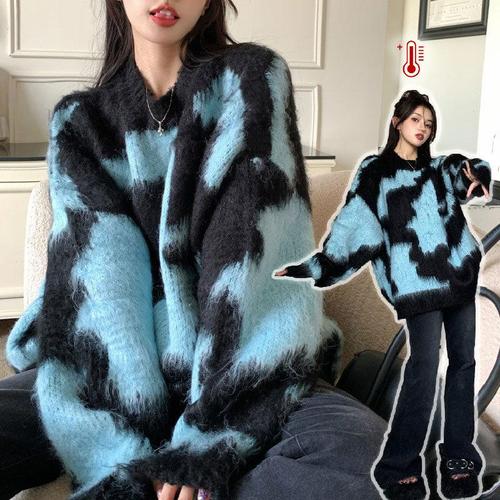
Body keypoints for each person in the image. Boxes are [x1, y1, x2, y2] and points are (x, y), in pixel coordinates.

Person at [1, 1, 388, 499]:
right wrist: (119, 458)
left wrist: (210, 442)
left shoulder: (251, 79)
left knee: (376, 467)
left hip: (249, 370)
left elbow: (248, 268)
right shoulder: (80, 122)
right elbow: (101, 288)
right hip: (104, 376)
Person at [274, 89, 492, 500]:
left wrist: (476, 172)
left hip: (459, 279)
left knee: (463, 364)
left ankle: (459, 461)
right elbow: (354, 225)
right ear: (398, 122)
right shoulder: (376, 172)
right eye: (416, 119)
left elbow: (464, 172)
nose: (423, 128)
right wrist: (317, 266)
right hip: (418, 288)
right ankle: (400, 466)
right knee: (424, 368)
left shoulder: (438, 169)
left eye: (429, 123)